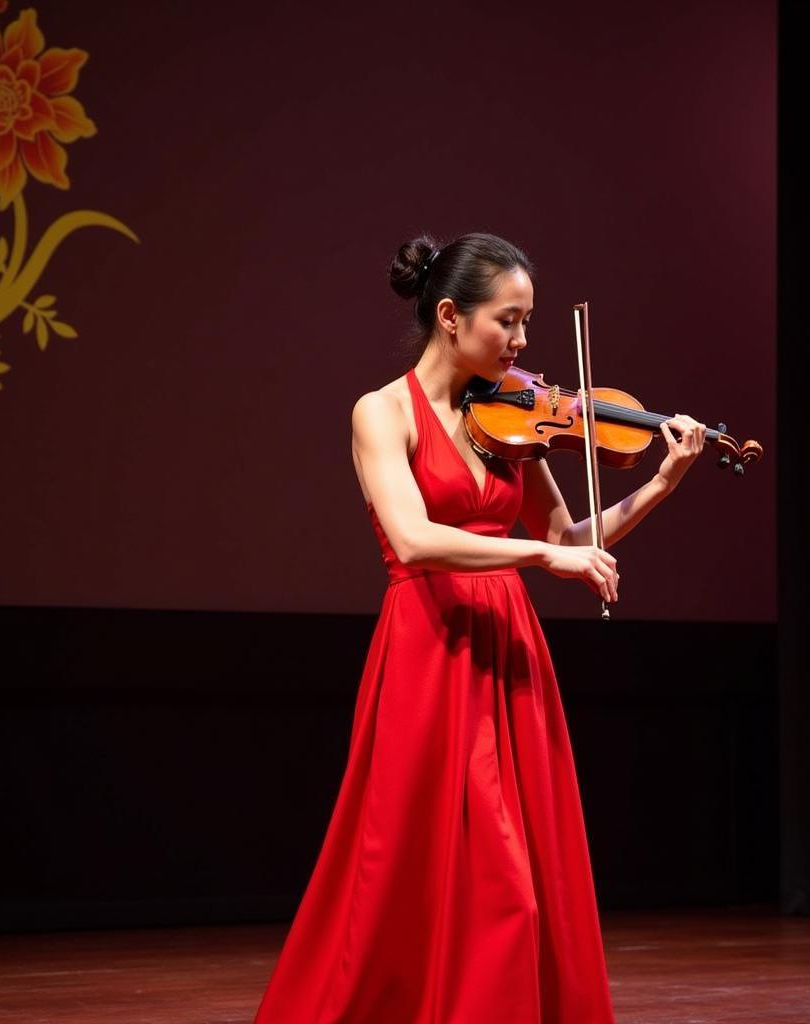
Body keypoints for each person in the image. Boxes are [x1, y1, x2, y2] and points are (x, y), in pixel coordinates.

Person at [254, 233, 706, 1023]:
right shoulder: (380, 412)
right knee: (429, 872)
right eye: (511, 321)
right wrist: (534, 557)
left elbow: (569, 541)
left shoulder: (511, 417)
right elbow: (413, 538)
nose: (525, 342)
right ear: (452, 316)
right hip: (427, 649)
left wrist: (663, 484)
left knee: (522, 881)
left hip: (507, 651)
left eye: (530, 322)